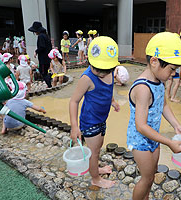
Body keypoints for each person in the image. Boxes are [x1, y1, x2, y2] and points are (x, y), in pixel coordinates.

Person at [127, 32, 181, 200]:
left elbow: (163, 105)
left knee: (152, 175)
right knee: (146, 178)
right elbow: (140, 126)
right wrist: (168, 142)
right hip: (140, 140)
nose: (173, 74)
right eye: (171, 69)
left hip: (153, 137)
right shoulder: (143, 88)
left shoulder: (159, 82)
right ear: (154, 61)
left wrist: (176, 124)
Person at [69, 36, 120, 189]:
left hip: (101, 119)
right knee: (94, 151)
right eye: (96, 68)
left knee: (98, 147)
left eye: (104, 70)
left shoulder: (110, 72)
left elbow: (108, 89)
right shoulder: (87, 78)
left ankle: (95, 169)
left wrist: (112, 101)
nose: (99, 73)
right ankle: (95, 178)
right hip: (89, 121)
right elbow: (73, 101)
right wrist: (74, 126)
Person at [28, 21, 52, 88]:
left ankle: (49, 85)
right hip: (47, 57)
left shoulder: (41, 36)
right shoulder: (46, 35)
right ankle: (49, 82)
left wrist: (36, 51)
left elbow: (42, 46)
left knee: (43, 72)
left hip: (43, 58)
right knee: (45, 71)